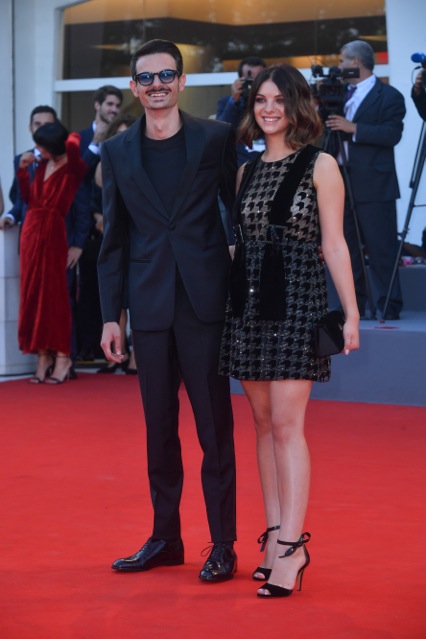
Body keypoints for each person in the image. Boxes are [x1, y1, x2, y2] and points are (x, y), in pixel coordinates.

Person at [97, 39, 238, 582]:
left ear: (181, 82)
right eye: (146, 77)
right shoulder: (116, 152)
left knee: (214, 430)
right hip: (150, 307)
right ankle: (166, 538)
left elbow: (238, 212)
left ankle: (222, 543)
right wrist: (113, 315)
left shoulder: (215, 138)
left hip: (204, 303)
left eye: (166, 75)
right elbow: (115, 242)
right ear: (135, 87)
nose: (157, 84)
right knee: (159, 430)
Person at [219, 63, 360, 598]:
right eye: (260, 99)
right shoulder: (246, 171)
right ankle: (275, 532)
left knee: (286, 424)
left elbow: (334, 244)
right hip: (248, 307)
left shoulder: (321, 165)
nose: (268, 107)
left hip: (297, 303)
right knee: (259, 423)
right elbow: (238, 243)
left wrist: (350, 313)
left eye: (278, 99)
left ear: (297, 105)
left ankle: (292, 548)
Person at [325, 40, 406, 320]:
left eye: (342, 60)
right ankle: (354, 306)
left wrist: (354, 128)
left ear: (355, 62)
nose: (339, 66)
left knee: (381, 247)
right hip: (340, 183)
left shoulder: (389, 96)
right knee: (346, 247)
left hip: (375, 185)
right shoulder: (338, 94)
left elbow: (391, 134)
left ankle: (388, 304)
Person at [18, 121, 87, 384]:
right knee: (34, 297)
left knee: (55, 297)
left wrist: (58, 135)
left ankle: (62, 356)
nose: (36, 149)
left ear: (54, 146)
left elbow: (74, 138)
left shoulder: (72, 167)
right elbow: (29, 200)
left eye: (41, 145)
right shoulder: (41, 165)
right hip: (31, 233)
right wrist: (24, 172)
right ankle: (42, 356)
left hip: (54, 233)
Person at [75, 85, 123, 362]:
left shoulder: (126, 137)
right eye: (110, 104)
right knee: (91, 291)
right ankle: (90, 348)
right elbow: (77, 180)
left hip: (117, 226)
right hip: (89, 230)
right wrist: (96, 216)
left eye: (117, 105)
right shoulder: (79, 139)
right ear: (97, 105)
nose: (114, 109)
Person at [0, 105, 57, 230]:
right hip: (29, 237)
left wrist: (77, 245)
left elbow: (80, 205)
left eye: (47, 125)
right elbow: (20, 198)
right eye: (37, 124)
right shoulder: (20, 160)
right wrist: (11, 217)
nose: (42, 129)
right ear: (30, 128)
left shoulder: (67, 160)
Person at [216, 56, 266, 166]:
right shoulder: (226, 102)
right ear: (239, 80)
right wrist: (234, 101)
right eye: (248, 81)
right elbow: (220, 133)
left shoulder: (271, 105)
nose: (252, 85)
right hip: (238, 165)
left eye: (257, 80)